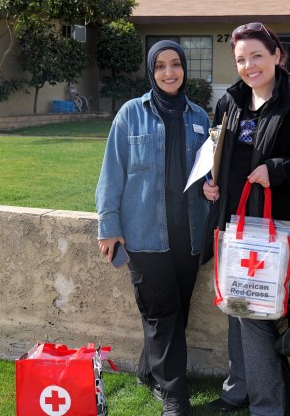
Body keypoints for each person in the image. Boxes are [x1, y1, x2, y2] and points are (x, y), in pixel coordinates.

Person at [202, 22, 290, 415]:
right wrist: (210, 182)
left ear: (277, 55)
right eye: (241, 59)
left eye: (257, 55)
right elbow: (217, 151)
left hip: (272, 231)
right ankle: (238, 389)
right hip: (232, 226)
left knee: (253, 315)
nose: (249, 66)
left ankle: (270, 406)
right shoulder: (230, 102)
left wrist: (279, 169)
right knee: (235, 310)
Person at [96, 40, 210, 416]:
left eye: (175, 64)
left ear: (184, 69)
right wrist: (108, 226)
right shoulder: (131, 114)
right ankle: (175, 396)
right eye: (160, 66)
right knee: (162, 314)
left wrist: (211, 186)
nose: (168, 72)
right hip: (144, 234)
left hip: (188, 235)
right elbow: (111, 173)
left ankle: (150, 372)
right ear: (151, 71)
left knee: (177, 312)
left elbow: (207, 171)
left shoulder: (199, 117)